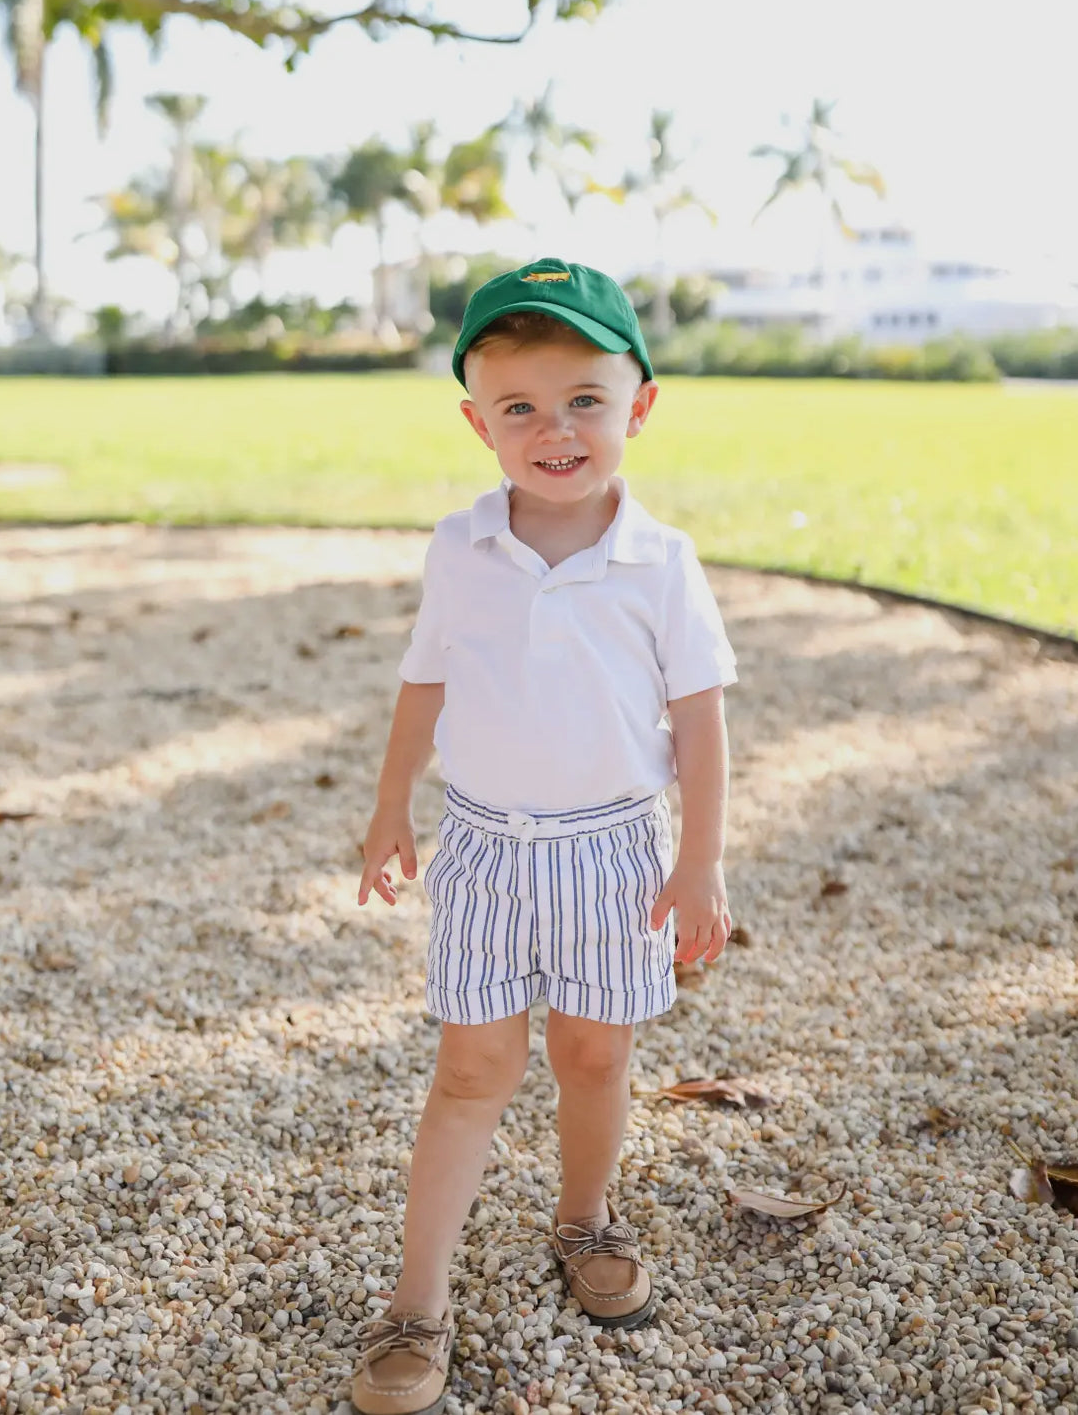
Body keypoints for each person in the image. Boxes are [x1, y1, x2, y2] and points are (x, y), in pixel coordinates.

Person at [349, 258, 737, 1415]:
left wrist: (700, 857)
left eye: (583, 399)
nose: (553, 429)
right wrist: (387, 805)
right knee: (473, 1067)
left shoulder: (659, 562)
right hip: (481, 849)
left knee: (594, 1053)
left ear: (640, 405)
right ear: (477, 421)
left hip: (613, 851)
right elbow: (425, 680)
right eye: (518, 405)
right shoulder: (461, 546)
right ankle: (417, 1298)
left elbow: (700, 719)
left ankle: (584, 1216)